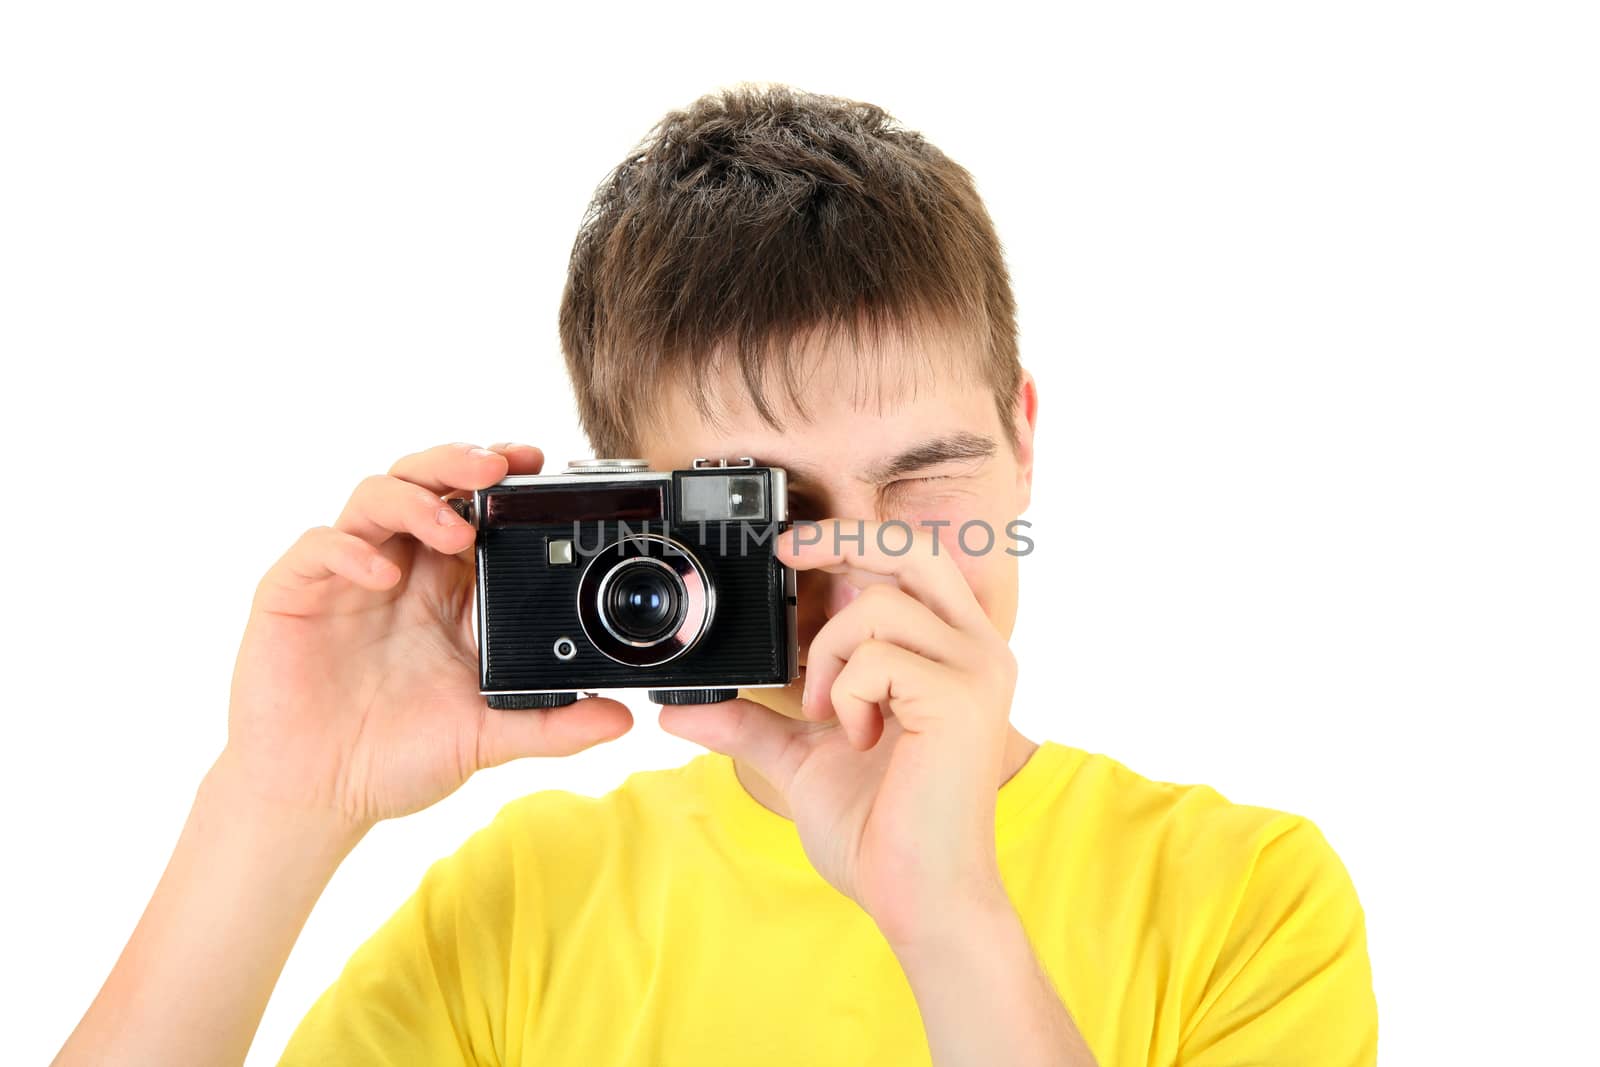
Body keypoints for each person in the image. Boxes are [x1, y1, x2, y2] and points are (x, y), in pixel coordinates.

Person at [54, 83, 1378, 1066]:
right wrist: (280, 801)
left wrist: (951, 918)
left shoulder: (1249, 895)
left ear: (1026, 441)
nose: (863, 569)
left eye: (923, 478)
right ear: (631, 516)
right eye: (764, 508)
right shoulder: (526, 906)